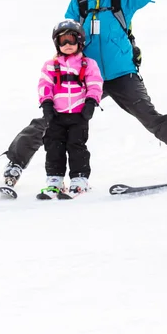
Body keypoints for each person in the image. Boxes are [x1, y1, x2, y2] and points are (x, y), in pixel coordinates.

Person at [2, 0, 167, 189]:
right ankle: (15, 162)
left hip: (122, 74)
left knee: (149, 116)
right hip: (86, 77)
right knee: (53, 118)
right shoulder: (78, 4)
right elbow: (65, 37)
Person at [37, 19, 103, 199]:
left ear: (79, 41)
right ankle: (54, 180)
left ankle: (79, 180)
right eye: (62, 41)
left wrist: (91, 102)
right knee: (53, 147)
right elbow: (45, 85)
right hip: (57, 116)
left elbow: (95, 84)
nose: (67, 45)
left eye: (71, 40)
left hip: (78, 115)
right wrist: (47, 105)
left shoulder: (88, 64)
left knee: (77, 146)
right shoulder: (50, 65)